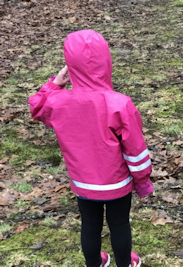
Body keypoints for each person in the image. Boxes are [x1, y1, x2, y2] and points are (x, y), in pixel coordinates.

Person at [27, 30, 153, 267]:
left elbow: (37, 107)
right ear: (107, 61)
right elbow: (136, 150)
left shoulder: (58, 102)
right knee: (120, 225)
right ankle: (125, 264)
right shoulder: (119, 103)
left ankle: (94, 263)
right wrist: (143, 182)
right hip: (117, 184)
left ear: (69, 65)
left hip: (83, 183)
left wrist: (53, 85)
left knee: (90, 225)